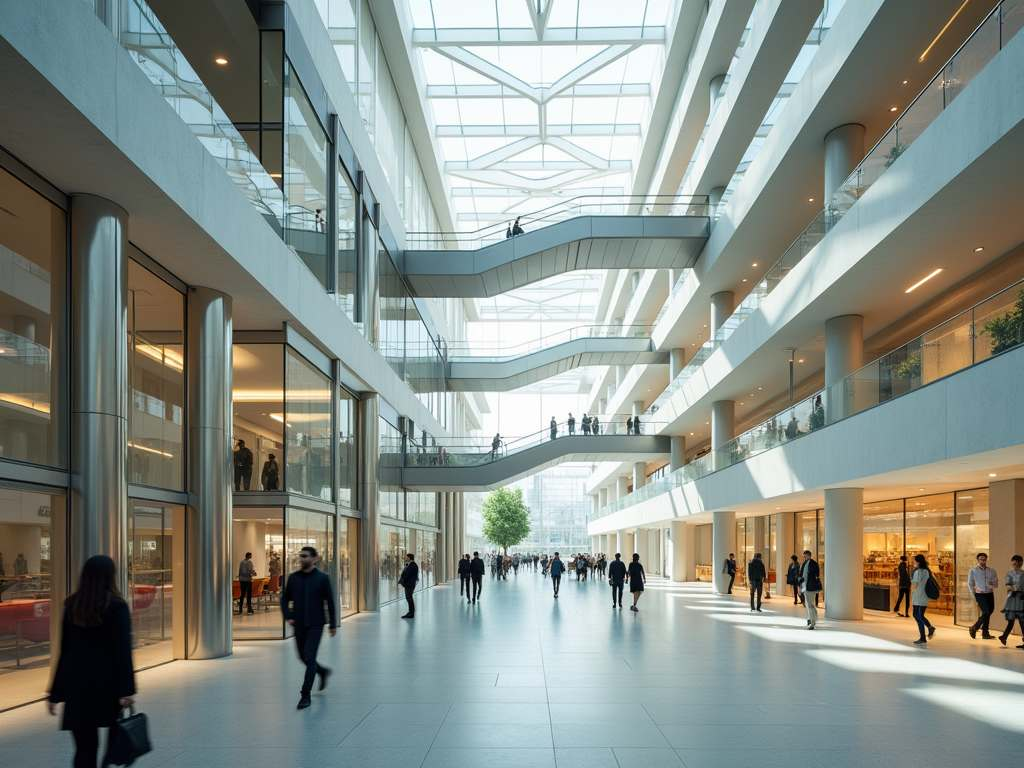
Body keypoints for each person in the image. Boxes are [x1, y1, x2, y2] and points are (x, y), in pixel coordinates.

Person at [48, 555, 135, 768]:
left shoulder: (72, 605)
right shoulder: (117, 607)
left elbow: (65, 651)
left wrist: (55, 692)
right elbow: (123, 651)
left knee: (84, 749)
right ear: (111, 577)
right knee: (113, 745)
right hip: (108, 687)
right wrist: (127, 689)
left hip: (77, 688)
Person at [281, 545, 337, 709]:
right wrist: (288, 615)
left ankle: (305, 695)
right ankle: (322, 672)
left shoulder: (322, 578)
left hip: (316, 624)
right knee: (302, 657)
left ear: (314, 558)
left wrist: (333, 624)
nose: (302, 559)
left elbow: (330, 602)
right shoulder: (293, 578)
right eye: (301, 556)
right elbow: (285, 599)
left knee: (309, 656)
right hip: (299, 623)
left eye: (305, 556)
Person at [967, 552, 998, 639]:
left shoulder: (991, 571)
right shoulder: (973, 570)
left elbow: (996, 584)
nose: (983, 561)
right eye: (981, 559)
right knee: (986, 612)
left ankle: (985, 633)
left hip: (989, 593)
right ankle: (975, 627)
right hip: (979, 594)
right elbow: (970, 584)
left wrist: (992, 583)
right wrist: (974, 595)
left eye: (984, 559)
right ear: (978, 560)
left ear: (986, 560)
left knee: (989, 612)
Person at [998, 554, 1024, 648]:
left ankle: (1004, 637)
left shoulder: (1023, 573)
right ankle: (1004, 637)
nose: (1016, 564)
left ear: (1021, 563)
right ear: (1012, 563)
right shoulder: (1009, 573)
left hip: (1021, 598)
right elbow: (1008, 585)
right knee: (1012, 620)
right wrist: (1012, 589)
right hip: (1012, 598)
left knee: (1022, 621)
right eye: (1014, 562)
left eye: (1018, 562)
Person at [910, 553, 937, 645]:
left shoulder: (918, 572)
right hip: (924, 596)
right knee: (919, 615)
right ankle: (929, 628)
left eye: (914, 560)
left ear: (917, 561)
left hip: (918, 596)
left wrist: (911, 591)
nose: (913, 562)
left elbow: (915, 584)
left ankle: (923, 637)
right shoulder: (927, 571)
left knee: (918, 616)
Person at [798, 549, 822, 630]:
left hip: (810, 587)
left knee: (810, 605)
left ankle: (812, 622)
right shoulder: (805, 563)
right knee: (809, 605)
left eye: (805, 556)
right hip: (806, 587)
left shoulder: (812, 564)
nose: (804, 557)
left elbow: (816, 575)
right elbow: (802, 575)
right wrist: (800, 586)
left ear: (808, 555)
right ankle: (811, 619)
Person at [399, 553, 419, 619]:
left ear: (409, 558)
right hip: (409, 584)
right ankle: (410, 612)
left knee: (409, 598)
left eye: (406, 557)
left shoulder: (413, 565)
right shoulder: (410, 564)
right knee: (409, 598)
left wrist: (403, 581)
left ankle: (411, 613)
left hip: (410, 584)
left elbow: (408, 575)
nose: (405, 558)